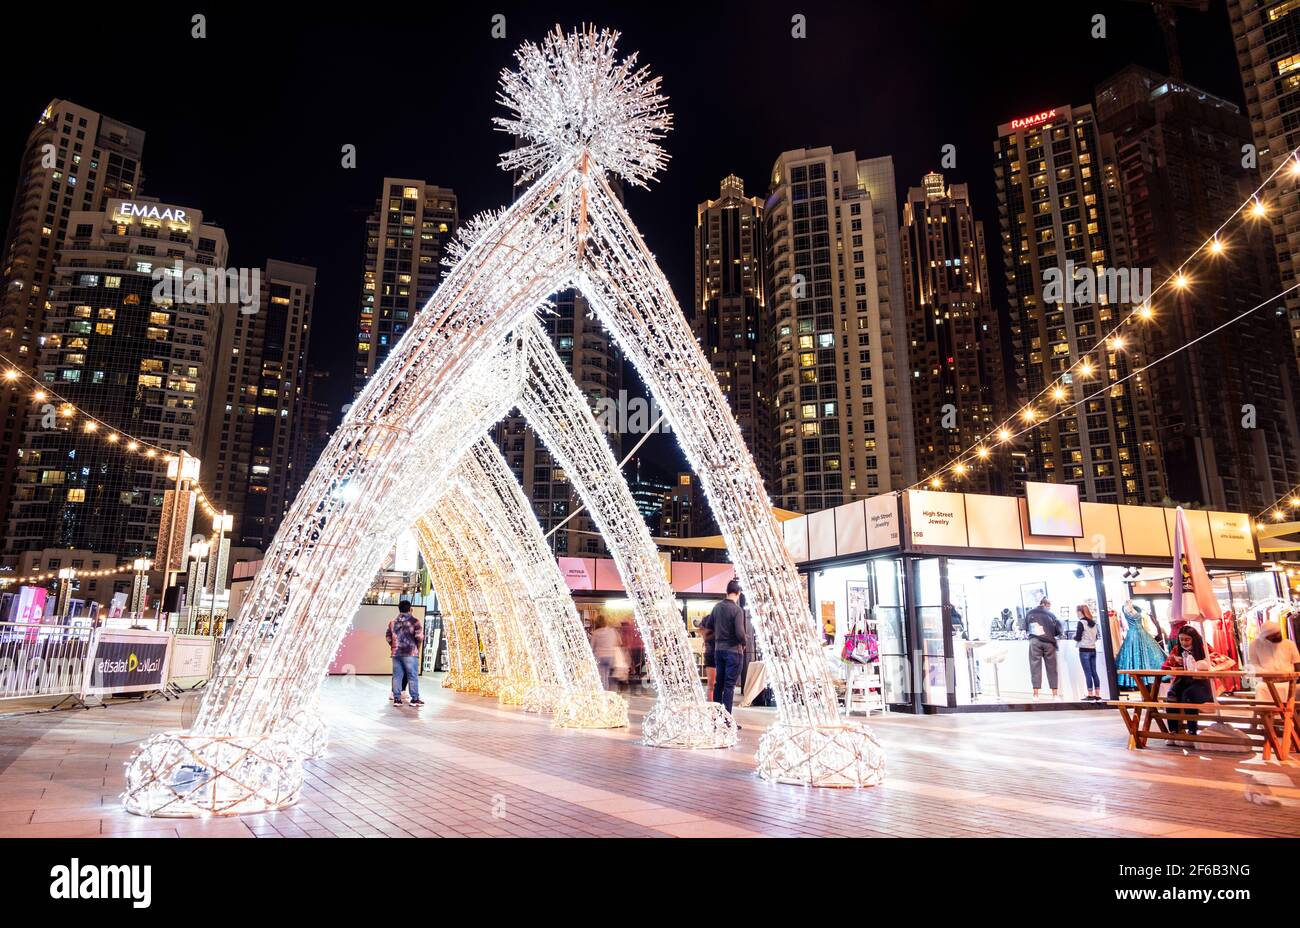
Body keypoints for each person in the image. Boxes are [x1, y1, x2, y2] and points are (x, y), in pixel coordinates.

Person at [704, 579, 750, 719]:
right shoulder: (737, 610)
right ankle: (727, 720)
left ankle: (717, 717)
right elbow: (740, 633)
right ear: (739, 593)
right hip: (733, 651)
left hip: (719, 651)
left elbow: (709, 625)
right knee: (729, 686)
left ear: (727, 592)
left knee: (719, 685)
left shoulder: (717, 607)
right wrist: (744, 641)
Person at [1161, 625, 1214, 740]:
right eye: (1181, 639)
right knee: (1171, 695)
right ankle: (1174, 731)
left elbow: (1217, 659)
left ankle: (1192, 731)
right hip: (1183, 682)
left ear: (1194, 638)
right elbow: (1164, 666)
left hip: (1202, 684)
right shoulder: (1177, 649)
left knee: (1188, 696)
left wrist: (1202, 663)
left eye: (1187, 639)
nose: (1183, 642)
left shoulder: (1204, 647)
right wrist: (1174, 660)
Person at [1115, 600, 1166, 689]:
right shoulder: (1125, 608)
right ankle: (1136, 682)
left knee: (1148, 655)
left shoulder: (1135, 608)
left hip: (1142, 633)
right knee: (1134, 655)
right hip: (1133, 634)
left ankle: (1150, 678)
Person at [1247, 621, 1300, 701]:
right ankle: (1265, 712)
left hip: (1289, 680)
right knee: (1260, 689)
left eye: (1278, 633)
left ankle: (1286, 711)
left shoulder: (1289, 644)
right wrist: (1268, 674)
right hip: (1267, 682)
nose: (1278, 635)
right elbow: (1254, 664)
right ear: (1266, 637)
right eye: (1274, 635)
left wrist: (1295, 678)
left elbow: (1297, 662)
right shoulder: (1254, 645)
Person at [386, 600, 425, 707]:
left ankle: (397, 699)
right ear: (409, 609)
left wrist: (394, 646)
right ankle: (415, 699)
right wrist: (416, 647)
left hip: (396, 653)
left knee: (397, 676)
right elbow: (419, 637)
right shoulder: (415, 621)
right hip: (410, 653)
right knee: (412, 676)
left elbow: (388, 637)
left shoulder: (392, 622)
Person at [1023, 597, 1062, 699]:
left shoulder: (1029, 613)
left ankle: (1035, 695)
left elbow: (1026, 628)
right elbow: (1058, 630)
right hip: (1049, 642)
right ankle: (1055, 695)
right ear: (1045, 605)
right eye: (1049, 606)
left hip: (1035, 641)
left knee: (1035, 666)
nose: (1049, 608)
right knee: (1052, 668)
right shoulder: (1051, 615)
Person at [1074, 604, 1101, 700]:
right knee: (1094, 672)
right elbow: (1096, 637)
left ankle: (1090, 694)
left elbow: (1078, 637)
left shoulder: (1081, 623)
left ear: (1080, 612)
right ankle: (1097, 694)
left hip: (1084, 650)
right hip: (1093, 649)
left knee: (1087, 673)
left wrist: (1074, 637)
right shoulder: (1093, 623)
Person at [591, 619, 621, 690]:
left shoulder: (595, 633)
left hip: (600, 656)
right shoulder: (611, 631)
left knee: (602, 675)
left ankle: (604, 690)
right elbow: (617, 642)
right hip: (610, 656)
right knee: (607, 674)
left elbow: (592, 646)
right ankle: (607, 689)